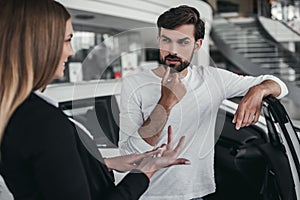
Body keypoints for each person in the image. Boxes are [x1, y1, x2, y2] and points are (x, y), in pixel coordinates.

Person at [0, 1, 190, 200]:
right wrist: (145, 172)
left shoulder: (16, 113)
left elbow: (49, 178)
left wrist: (106, 163)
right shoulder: (44, 122)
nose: (72, 51)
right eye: (67, 40)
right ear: (40, 44)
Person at [119, 5, 289, 200]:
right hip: (147, 195)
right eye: (166, 40)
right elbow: (129, 153)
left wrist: (258, 90)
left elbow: (280, 86)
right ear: (158, 40)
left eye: (183, 42)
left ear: (197, 45)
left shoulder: (211, 79)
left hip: (196, 195)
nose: (172, 50)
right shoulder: (134, 84)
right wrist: (165, 103)